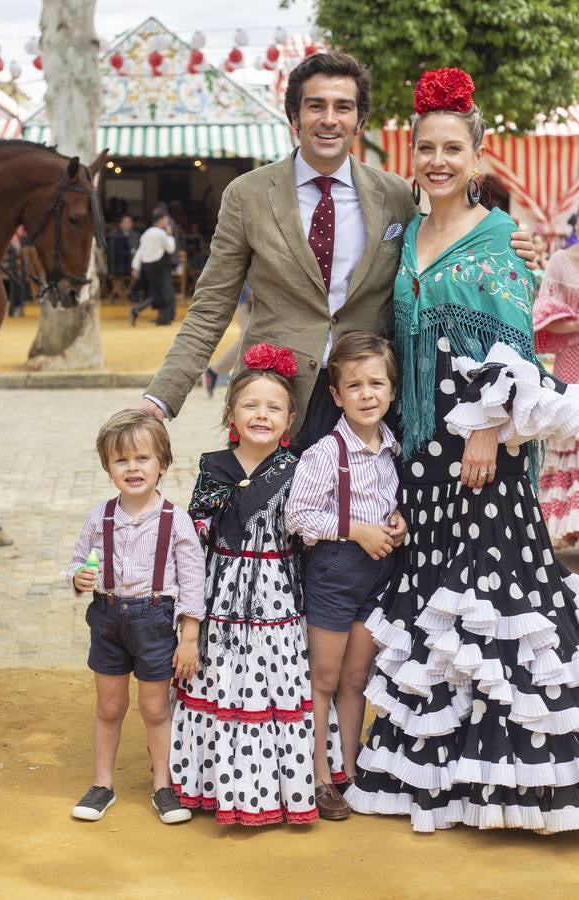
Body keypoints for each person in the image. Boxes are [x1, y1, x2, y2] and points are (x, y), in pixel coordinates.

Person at [345, 67, 579, 833]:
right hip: (423, 453)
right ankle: (442, 773)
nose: (438, 161)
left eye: (453, 149)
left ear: (477, 159)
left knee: (494, 599)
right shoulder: (410, 235)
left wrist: (485, 430)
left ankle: (520, 779)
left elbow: (517, 352)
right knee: (443, 600)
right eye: (426, 149)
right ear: (410, 154)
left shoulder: (492, 242)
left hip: (481, 450)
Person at [137, 51, 535, 450]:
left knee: (367, 515)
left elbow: (439, 260)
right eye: (316, 106)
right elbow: (211, 307)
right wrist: (161, 399)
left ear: (359, 120)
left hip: (369, 403)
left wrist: (504, 242)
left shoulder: (395, 195)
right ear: (294, 117)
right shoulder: (248, 196)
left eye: (343, 107)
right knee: (269, 513)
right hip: (274, 401)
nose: (330, 118)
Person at [170, 343, 343, 826]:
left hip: (279, 600)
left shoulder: (299, 470)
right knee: (219, 681)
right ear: (230, 413)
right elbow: (194, 539)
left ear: (291, 419)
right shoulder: (212, 468)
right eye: (250, 405)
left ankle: (280, 790)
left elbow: (317, 524)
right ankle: (213, 784)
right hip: (220, 596)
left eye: (274, 407)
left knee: (274, 687)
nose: (261, 414)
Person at [67, 410, 206, 825]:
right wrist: (80, 577)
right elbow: (76, 564)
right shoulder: (99, 517)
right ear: (108, 467)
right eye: (121, 460)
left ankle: (163, 785)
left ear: (162, 463)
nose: (132, 468)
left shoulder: (175, 520)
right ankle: (102, 784)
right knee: (109, 706)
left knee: (155, 707)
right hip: (107, 619)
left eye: (142, 458)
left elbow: (193, 584)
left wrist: (189, 637)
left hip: (156, 621)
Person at [285, 332, 402, 820]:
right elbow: (298, 516)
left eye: (377, 383)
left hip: (377, 579)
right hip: (334, 574)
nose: (367, 393)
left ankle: (349, 771)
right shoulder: (325, 453)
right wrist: (355, 531)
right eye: (354, 385)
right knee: (325, 677)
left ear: (393, 390)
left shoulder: (394, 449)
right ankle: (317, 776)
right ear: (336, 395)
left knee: (357, 677)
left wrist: (401, 522)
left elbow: (394, 505)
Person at [533, 244, 579, 547]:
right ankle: (566, 524)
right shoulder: (561, 262)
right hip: (572, 359)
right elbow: (543, 317)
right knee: (571, 433)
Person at [204, 282, 252, 397]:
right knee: (247, 339)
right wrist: (250, 292)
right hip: (248, 298)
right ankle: (216, 371)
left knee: (250, 339)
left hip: (258, 297)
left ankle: (217, 371)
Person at [130, 208, 176, 326]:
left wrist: (135, 267)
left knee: (156, 292)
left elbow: (140, 251)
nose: (167, 221)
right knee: (160, 293)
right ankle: (137, 309)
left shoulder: (147, 233)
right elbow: (170, 249)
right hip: (157, 265)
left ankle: (162, 318)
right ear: (161, 220)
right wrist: (170, 236)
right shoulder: (161, 233)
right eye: (165, 219)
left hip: (146, 266)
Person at [107, 214, 140, 302]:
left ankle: (130, 291)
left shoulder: (136, 235)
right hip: (119, 265)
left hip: (134, 264)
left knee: (139, 274)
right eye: (125, 222)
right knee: (116, 277)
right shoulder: (114, 235)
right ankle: (123, 295)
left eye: (130, 222)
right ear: (120, 224)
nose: (128, 224)